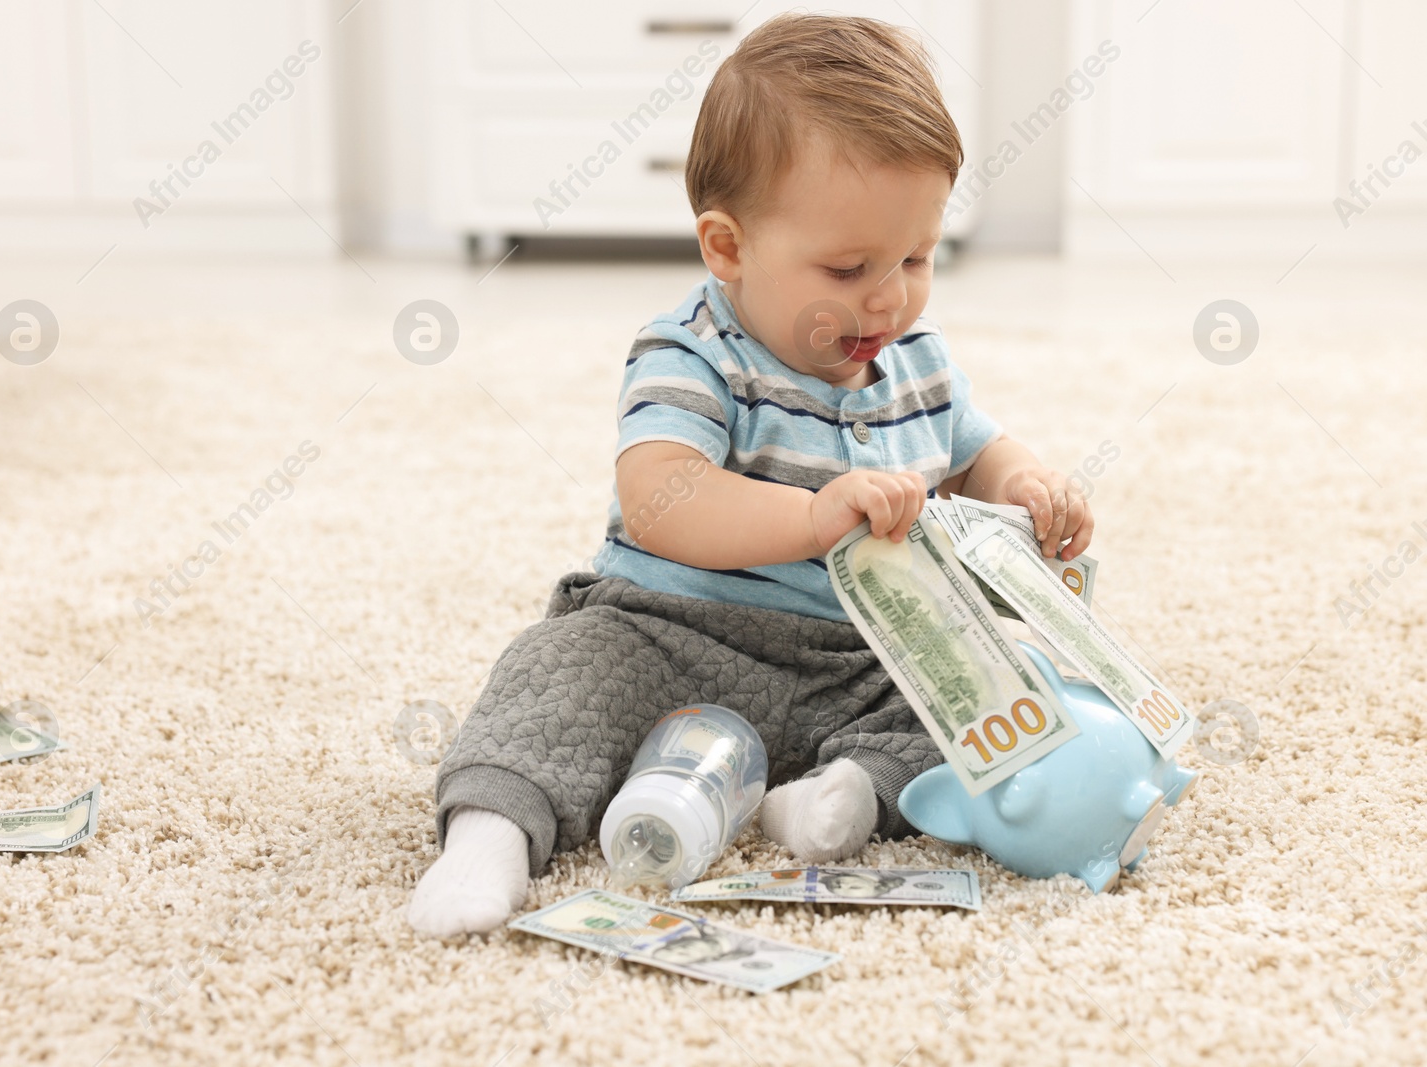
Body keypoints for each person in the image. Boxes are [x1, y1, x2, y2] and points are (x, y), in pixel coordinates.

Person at [408, 13, 1094, 939]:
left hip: (864, 658)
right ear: (728, 248)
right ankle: (489, 834)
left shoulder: (917, 360)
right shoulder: (691, 353)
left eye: (916, 258)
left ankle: (835, 797)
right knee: (557, 673)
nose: (889, 295)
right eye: (849, 267)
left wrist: (1028, 486)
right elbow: (661, 498)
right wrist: (813, 519)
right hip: (674, 634)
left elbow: (976, 451)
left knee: (1001, 686)